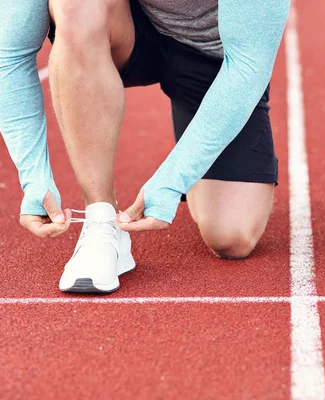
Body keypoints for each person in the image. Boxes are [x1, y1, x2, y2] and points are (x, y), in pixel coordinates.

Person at [0, 0, 289, 293]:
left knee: (232, 235)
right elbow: (9, 53)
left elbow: (248, 65)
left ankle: (198, 114)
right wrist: (34, 176)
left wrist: (173, 180)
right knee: (75, 6)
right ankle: (101, 223)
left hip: (212, 56)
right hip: (123, 27)